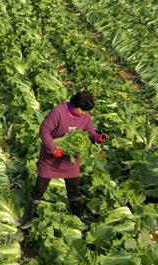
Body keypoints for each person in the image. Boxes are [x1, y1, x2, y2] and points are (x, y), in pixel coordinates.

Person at [22, 91, 107, 224]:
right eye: (82, 110)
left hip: (70, 161)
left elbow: (90, 131)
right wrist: (53, 149)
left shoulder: (85, 116)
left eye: (86, 111)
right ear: (74, 104)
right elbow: (44, 130)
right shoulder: (59, 112)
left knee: (73, 190)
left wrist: (97, 137)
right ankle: (28, 216)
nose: (84, 113)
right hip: (50, 159)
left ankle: (78, 217)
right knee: (40, 188)